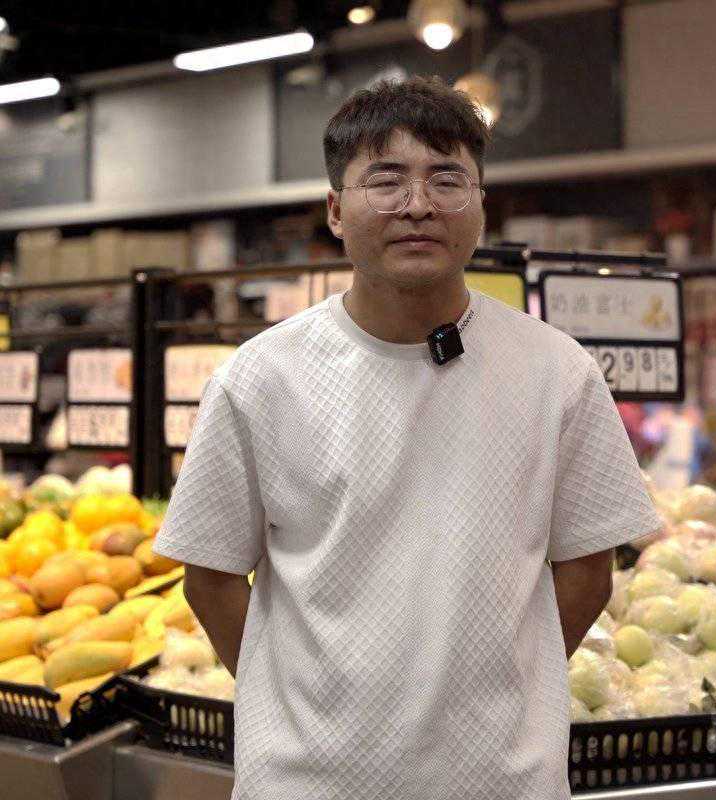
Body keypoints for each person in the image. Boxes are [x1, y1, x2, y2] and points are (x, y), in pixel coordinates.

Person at [153, 76, 662, 800]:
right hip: (307, 783)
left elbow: (587, 570)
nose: (418, 205)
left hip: (500, 780)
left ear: (481, 205)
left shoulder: (558, 372)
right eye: (385, 180)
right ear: (335, 210)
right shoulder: (261, 378)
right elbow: (209, 575)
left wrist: (500, 687)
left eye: (447, 179)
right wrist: (300, 703)